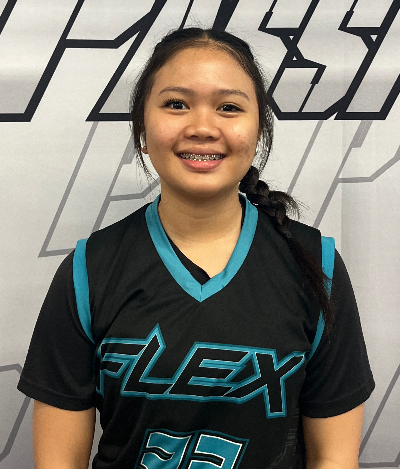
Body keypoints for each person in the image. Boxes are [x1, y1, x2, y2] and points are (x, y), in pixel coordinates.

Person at [18, 27, 375, 469]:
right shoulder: (88, 270)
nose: (202, 128)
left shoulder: (316, 264)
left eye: (229, 107)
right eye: (176, 104)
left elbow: (334, 458)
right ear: (142, 129)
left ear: (259, 130)